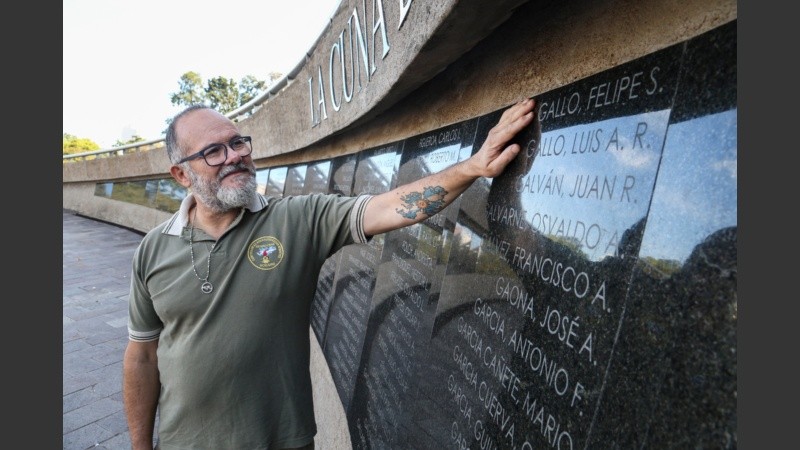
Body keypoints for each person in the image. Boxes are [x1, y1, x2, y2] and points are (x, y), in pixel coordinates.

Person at [122, 97, 536, 450]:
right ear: (181, 174)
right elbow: (141, 355)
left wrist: (472, 167)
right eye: (214, 151)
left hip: (281, 440)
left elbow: (389, 206)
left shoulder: (298, 219)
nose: (235, 156)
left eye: (238, 143)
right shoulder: (152, 250)